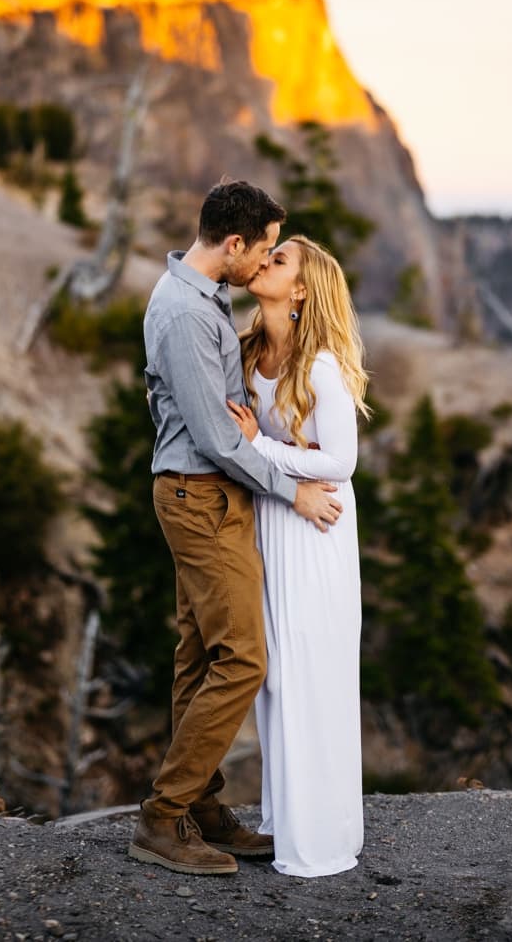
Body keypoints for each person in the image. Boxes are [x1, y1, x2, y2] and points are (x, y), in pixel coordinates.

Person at [127, 181, 345, 877]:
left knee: (198, 655)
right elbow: (219, 440)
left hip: (212, 496)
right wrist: (293, 492)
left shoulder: (206, 297)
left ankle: (203, 805)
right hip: (201, 497)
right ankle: (164, 819)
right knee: (244, 658)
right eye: (266, 249)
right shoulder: (186, 315)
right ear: (233, 245)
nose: (267, 261)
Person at [228, 235, 370, 877]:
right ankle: (286, 822)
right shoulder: (247, 348)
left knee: (312, 676)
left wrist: (264, 451)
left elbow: (341, 462)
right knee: (276, 678)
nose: (264, 262)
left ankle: (321, 841)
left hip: (315, 531)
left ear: (303, 289)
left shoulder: (321, 367)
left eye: (279, 260)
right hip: (269, 520)